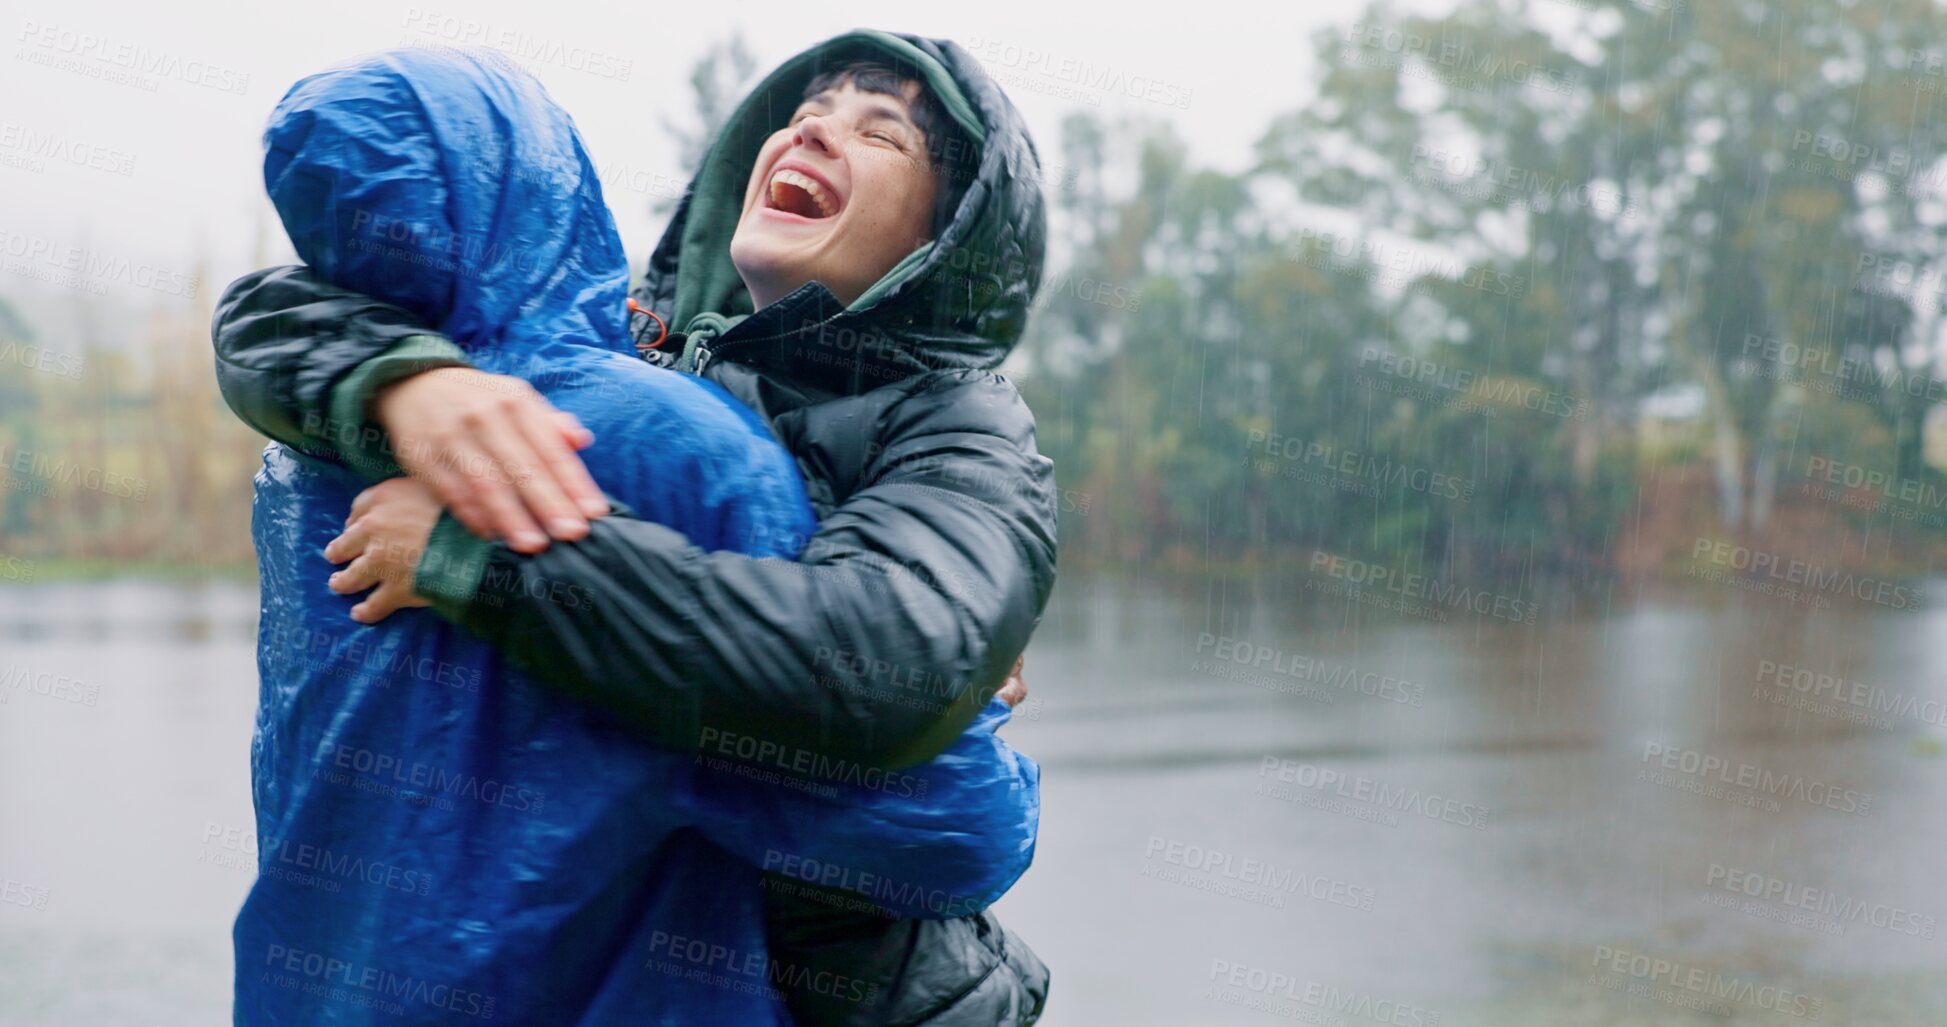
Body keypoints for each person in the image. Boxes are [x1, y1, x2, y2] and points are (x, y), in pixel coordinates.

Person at [219, 43, 1049, 1026]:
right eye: (813, 108)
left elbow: (877, 669)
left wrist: (480, 558)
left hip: (843, 992)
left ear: (944, 237)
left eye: (882, 133)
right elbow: (284, 305)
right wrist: (401, 380)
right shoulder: (637, 349)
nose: (818, 125)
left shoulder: (961, 425)